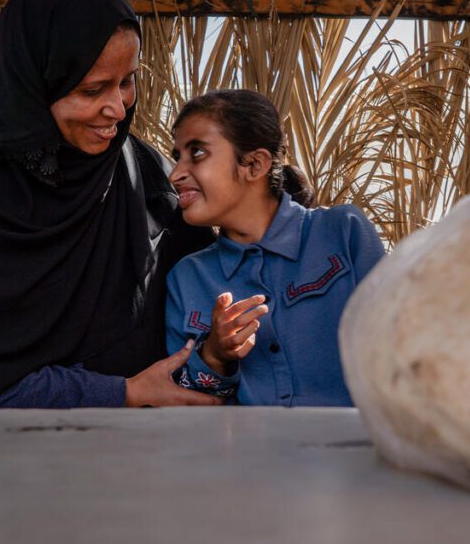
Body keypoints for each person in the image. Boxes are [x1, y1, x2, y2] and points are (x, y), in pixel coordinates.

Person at [0, 0, 221, 408]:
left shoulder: (151, 178)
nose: (117, 107)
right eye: (92, 90)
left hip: (139, 460)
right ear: (34, 85)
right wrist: (123, 392)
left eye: (127, 82)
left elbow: (198, 338)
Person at [165, 90, 385, 406]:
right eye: (177, 157)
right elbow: (183, 406)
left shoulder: (344, 231)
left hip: (356, 450)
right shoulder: (186, 278)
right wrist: (214, 355)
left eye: (197, 153)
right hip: (246, 455)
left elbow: (401, 349)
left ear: (254, 165)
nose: (176, 174)